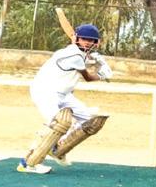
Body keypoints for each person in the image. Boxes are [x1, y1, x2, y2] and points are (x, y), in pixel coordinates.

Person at [17, 24, 113, 174]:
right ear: (77, 39)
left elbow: (83, 61)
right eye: (84, 39)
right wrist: (102, 74)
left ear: (96, 42)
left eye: (91, 40)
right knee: (57, 124)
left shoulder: (79, 54)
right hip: (45, 91)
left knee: (89, 122)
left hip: (64, 94)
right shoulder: (73, 55)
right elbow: (87, 77)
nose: (87, 42)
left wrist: (92, 58)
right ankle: (27, 163)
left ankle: (57, 149)